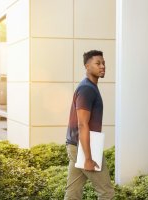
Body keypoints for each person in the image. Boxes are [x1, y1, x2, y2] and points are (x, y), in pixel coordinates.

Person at [64, 50, 115, 200]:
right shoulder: (87, 89)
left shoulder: (89, 87)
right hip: (85, 147)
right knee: (106, 193)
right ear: (87, 66)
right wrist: (88, 158)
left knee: (73, 193)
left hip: (76, 145)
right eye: (98, 63)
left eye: (104, 63)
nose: (102, 66)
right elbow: (82, 124)